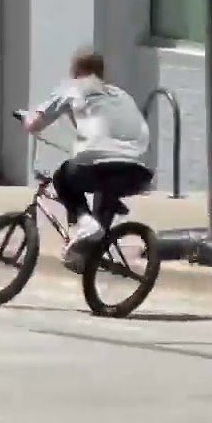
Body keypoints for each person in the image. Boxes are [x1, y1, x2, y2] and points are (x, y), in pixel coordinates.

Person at [21, 49, 154, 272]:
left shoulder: (73, 88)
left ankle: (84, 222)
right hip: (140, 171)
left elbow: (35, 123)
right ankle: (90, 252)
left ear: (78, 71)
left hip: (104, 166)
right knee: (104, 187)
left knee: (63, 177)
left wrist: (26, 119)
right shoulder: (120, 95)